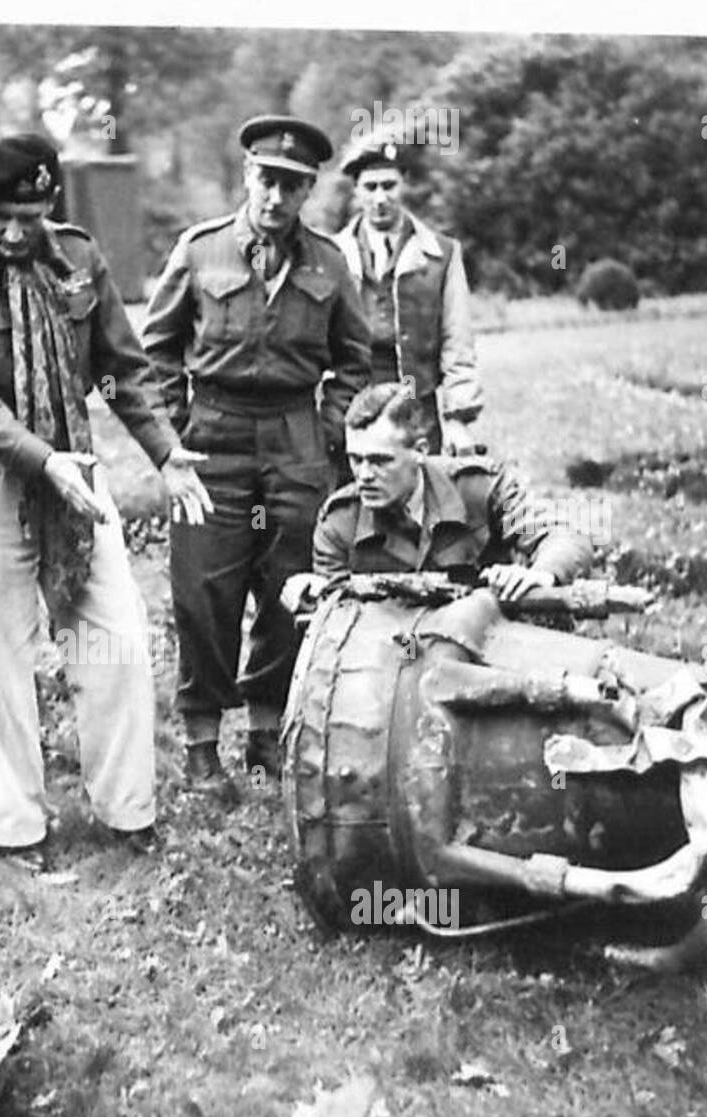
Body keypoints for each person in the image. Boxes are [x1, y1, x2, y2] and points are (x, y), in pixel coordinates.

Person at [0, 134, 211, 858]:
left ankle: (128, 814)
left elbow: (125, 367)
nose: (14, 232)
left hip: (78, 469)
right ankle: (18, 830)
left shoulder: (78, 257)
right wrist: (43, 462)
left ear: (49, 206)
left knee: (115, 639)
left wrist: (168, 454)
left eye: (29, 214)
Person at [141, 115, 370, 794]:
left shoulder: (330, 262)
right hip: (214, 435)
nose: (277, 198)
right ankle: (201, 738)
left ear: (309, 191)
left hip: (296, 436)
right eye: (268, 181)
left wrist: (327, 432)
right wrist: (177, 430)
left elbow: (356, 361)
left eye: (293, 187)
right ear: (248, 176)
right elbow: (153, 347)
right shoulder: (201, 250)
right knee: (204, 588)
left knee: (290, 585)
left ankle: (267, 729)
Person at [286, 383, 591, 603]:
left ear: (420, 451)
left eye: (380, 461)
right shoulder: (340, 521)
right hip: (396, 657)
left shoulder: (480, 487)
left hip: (484, 648)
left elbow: (563, 535)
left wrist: (542, 573)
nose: (364, 475)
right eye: (356, 459)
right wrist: (313, 591)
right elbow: (334, 619)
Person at [334, 137, 481, 456]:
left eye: (389, 185)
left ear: (406, 185)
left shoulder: (441, 254)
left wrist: (459, 419)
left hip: (416, 406)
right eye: (370, 187)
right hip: (350, 405)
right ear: (356, 191)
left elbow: (458, 341)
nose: (380, 198)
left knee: (419, 495)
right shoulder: (332, 254)